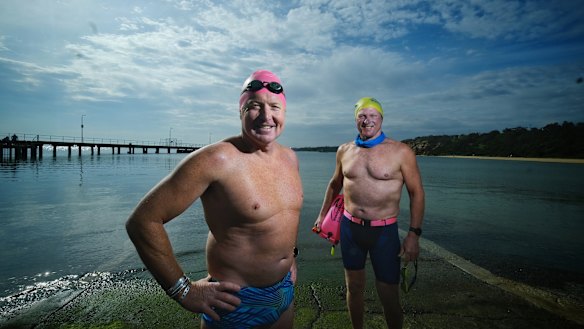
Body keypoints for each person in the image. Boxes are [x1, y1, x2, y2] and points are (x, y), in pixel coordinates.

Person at [126, 70, 303, 328]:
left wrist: (291, 255)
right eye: (255, 107)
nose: (267, 116)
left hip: (283, 292)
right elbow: (143, 221)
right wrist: (183, 291)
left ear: (284, 112)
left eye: (275, 107)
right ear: (240, 111)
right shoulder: (217, 159)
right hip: (235, 302)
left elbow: (283, 218)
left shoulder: (290, 158)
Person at [314, 97, 425, 329]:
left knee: (389, 295)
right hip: (350, 228)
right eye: (362, 116)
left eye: (373, 115)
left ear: (381, 118)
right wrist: (322, 215)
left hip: (383, 232)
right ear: (356, 120)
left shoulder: (401, 152)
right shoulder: (344, 150)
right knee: (353, 288)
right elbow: (335, 184)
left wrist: (413, 235)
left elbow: (417, 193)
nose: (367, 120)